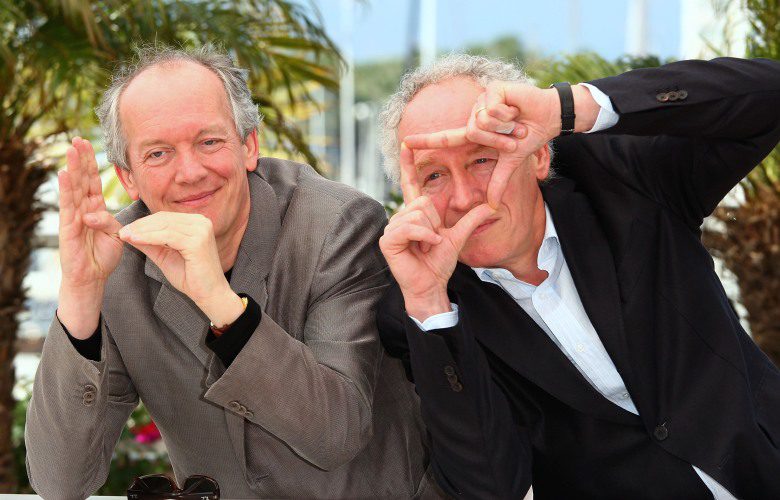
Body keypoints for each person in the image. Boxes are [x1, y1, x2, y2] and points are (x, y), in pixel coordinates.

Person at [25, 45, 434, 499]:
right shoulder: (116, 258)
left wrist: (221, 304)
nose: (190, 172)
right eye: (158, 154)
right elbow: (60, 483)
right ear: (128, 178)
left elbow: (334, 433)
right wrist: (81, 292)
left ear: (249, 146)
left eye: (209, 142)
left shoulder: (338, 224)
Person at [376, 53, 780, 499]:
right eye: (434, 175)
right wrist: (431, 304)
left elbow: (768, 95)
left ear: (539, 155)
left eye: (482, 159)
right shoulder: (423, 314)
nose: (465, 197)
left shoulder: (622, 181)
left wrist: (566, 109)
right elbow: (491, 488)